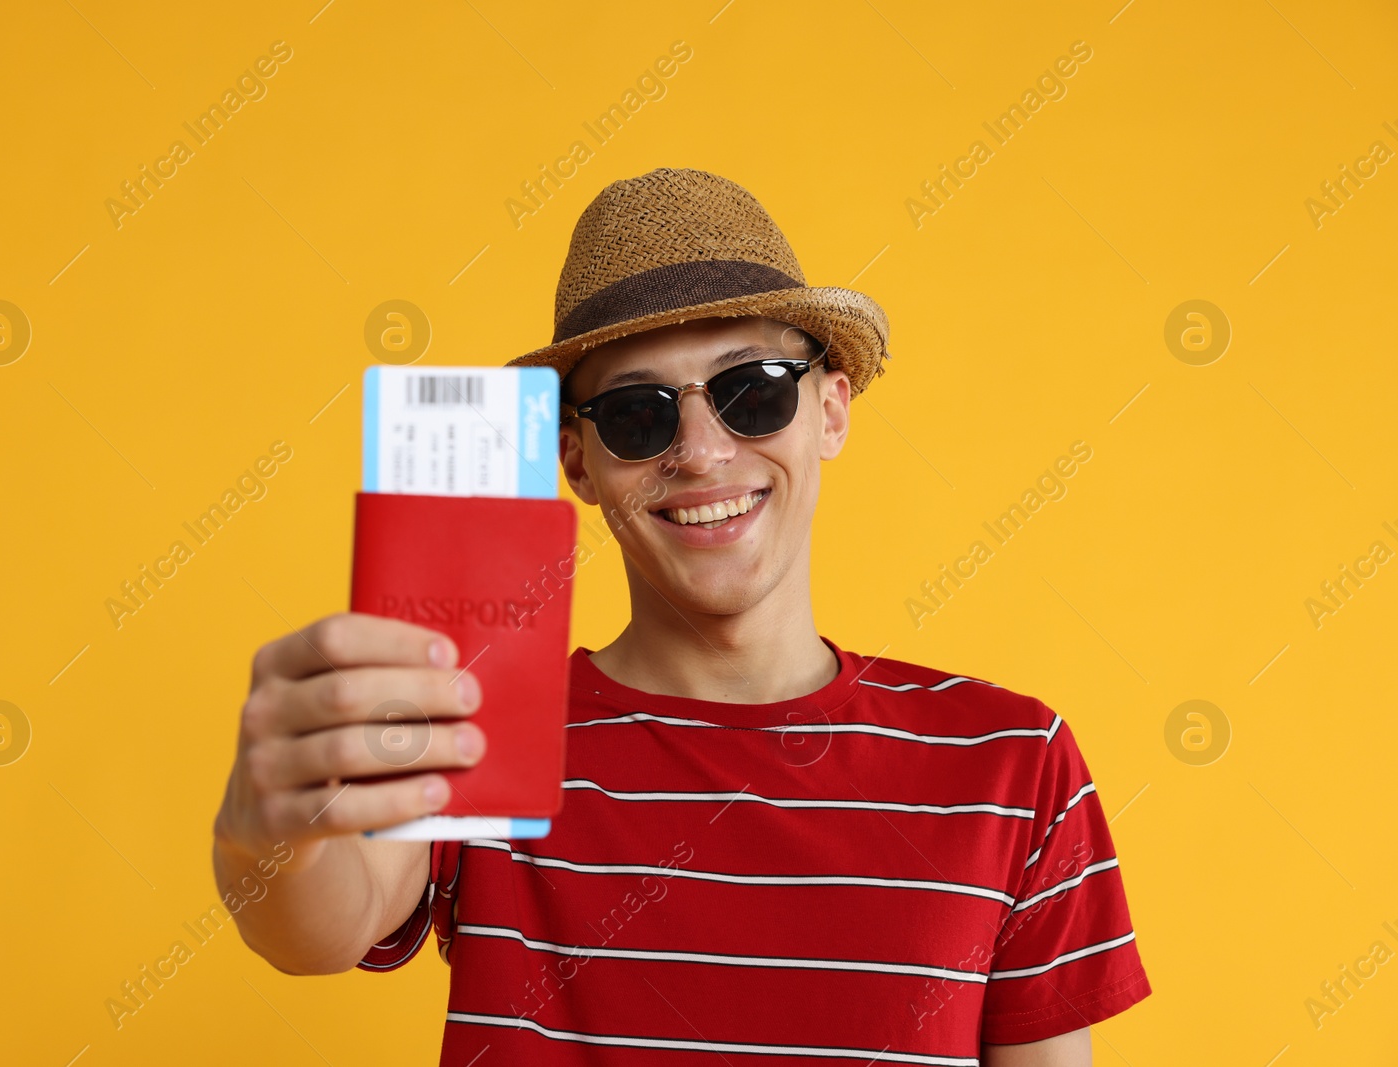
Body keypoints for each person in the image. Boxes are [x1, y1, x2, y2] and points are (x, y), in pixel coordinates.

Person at [212, 167, 1151, 1065]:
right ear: (577, 461)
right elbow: (327, 923)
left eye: (753, 393)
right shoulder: (485, 713)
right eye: (636, 415)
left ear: (829, 411)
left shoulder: (1013, 761)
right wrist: (271, 833)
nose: (700, 453)